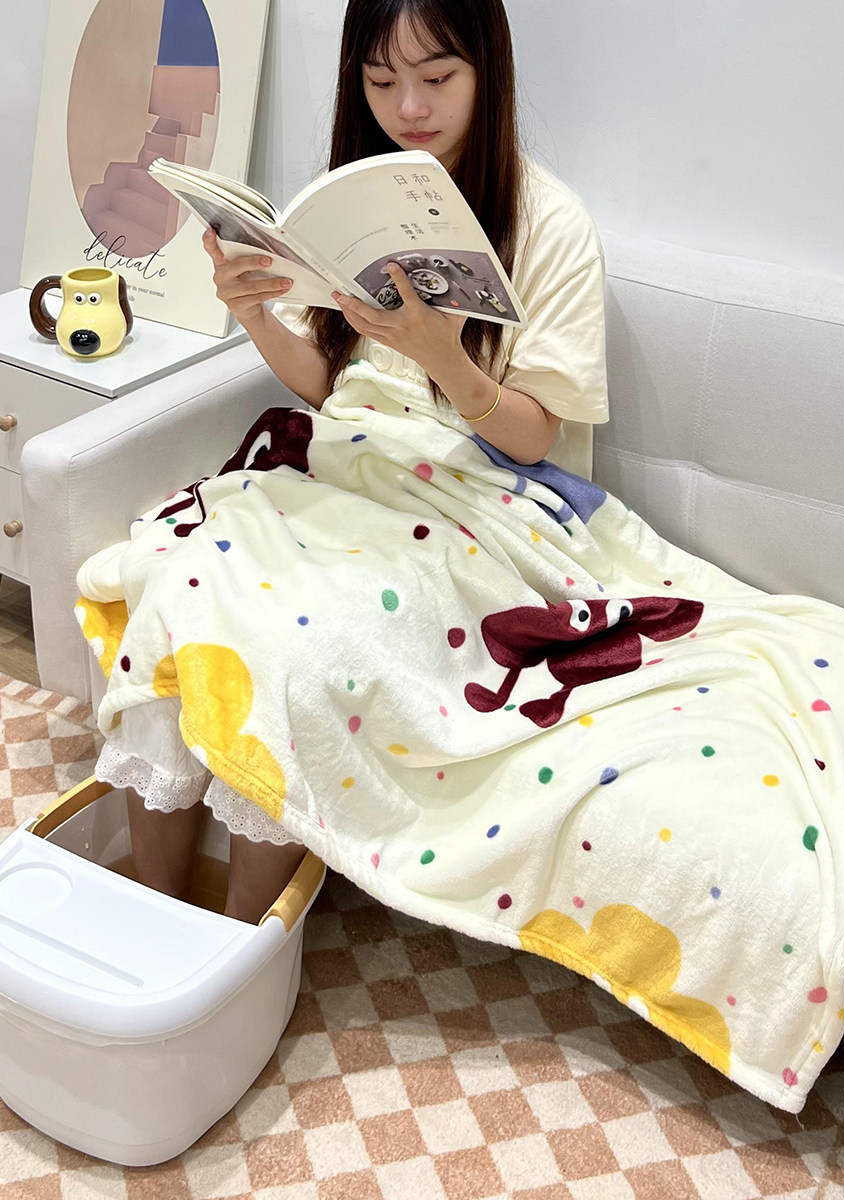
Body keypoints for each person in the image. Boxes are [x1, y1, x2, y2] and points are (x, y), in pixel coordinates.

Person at [107, 0, 609, 923]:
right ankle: (152, 913)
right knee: (175, 589)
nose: (410, 106)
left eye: (437, 78)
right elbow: (328, 386)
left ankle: (247, 942)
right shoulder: (352, 207)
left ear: (487, 71)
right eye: (382, 82)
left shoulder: (550, 223)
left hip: (481, 511)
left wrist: (446, 357)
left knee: (289, 648)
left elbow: (536, 439)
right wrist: (254, 312)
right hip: (349, 477)